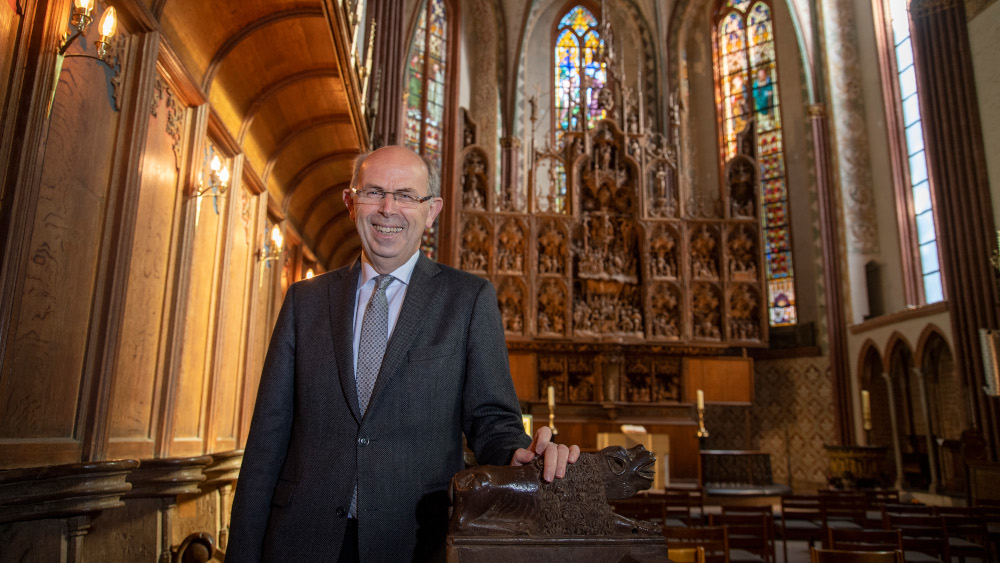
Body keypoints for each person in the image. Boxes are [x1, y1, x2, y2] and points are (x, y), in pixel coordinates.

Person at [227, 145, 579, 562]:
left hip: (413, 542)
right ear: (350, 203)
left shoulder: (467, 300)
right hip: (300, 540)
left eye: (406, 195)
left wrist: (518, 455)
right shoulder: (304, 301)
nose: (387, 209)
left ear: (431, 211)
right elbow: (266, 441)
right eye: (373, 192)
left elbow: (492, 420)